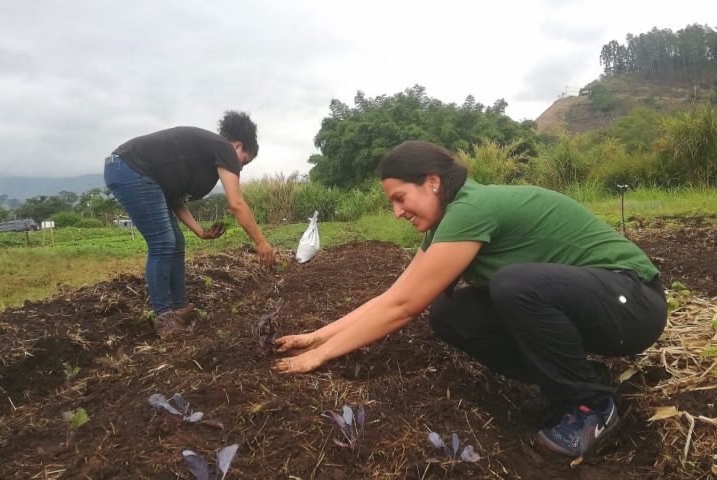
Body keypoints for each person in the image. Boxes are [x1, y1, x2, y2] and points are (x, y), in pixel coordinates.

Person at [274, 141, 667, 458]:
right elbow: (397, 295)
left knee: (513, 284)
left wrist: (319, 359)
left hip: (633, 303)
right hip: (597, 306)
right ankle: (564, 385)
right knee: (451, 312)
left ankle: (592, 406)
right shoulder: (449, 222)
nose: (396, 213)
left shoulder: (472, 209)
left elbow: (403, 310)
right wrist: (317, 338)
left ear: (431, 181)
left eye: (399, 197)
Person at [104, 111, 276, 338]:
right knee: (163, 243)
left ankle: (181, 309)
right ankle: (164, 318)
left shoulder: (204, 158)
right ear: (237, 146)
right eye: (244, 161)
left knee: (176, 242)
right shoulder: (223, 148)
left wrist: (200, 232)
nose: (241, 168)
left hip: (140, 174)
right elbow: (237, 204)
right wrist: (262, 243)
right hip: (130, 169)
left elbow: (173, 198)